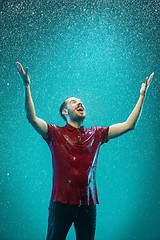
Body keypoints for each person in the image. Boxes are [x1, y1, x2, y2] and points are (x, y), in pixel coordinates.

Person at [16, 62, 154, 240]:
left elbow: (129, 125)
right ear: (65, 111)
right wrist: (26, 86)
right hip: (61, 204)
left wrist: (142, 96)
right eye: (74, 102)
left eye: (81, 102)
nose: (79, 103)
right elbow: (32, 118)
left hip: (88, 205)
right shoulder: (55, 133)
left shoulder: (96, 133)